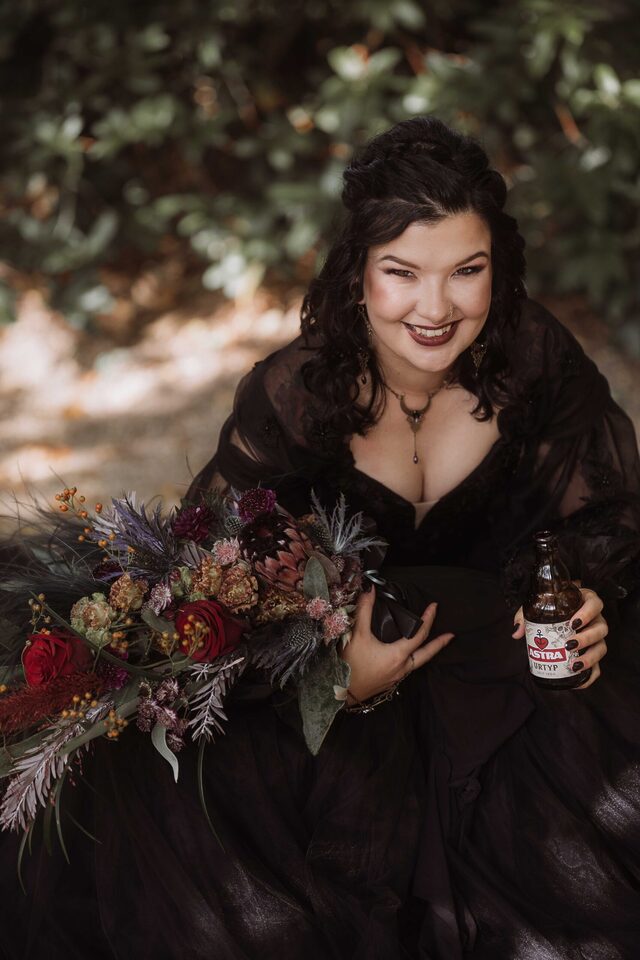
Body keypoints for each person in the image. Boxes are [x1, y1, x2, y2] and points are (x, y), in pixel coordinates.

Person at [4, 116, 640, 959]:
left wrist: (589, 588)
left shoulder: (536, 363)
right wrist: (336, 677)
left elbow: (610, 511)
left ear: (500, 268)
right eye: (402, 273)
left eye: (467, 272)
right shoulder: (297, 393)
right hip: (339, 695)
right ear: (359, 275)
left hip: (502, 678)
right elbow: (211, 574)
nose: (436, 307)